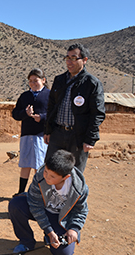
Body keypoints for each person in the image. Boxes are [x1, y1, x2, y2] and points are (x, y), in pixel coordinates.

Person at [8, 150, 88, 255]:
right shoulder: (40, 176)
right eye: (46, 171)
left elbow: (81, 211)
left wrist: (74, 229)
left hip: (61, 218)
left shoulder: (79, 188)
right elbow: (35, 205)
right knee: (16, 204)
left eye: (52, 176)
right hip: (42, 209)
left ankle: (51, 236)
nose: (46, 177)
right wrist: (49, 231)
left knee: (63, 254)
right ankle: (26, 241)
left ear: (65, 177)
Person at [44, 43, 105, 172]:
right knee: (51, 170)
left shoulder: (91, 83)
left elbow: (97, 113)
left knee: (74, 173)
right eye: (67, 58)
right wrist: (48, 130)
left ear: (84, 60)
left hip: (78, 136)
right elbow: (51, 106)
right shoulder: (59, 80)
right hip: (58, 133)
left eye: (73, 58)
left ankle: (74, 193)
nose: (69, 62)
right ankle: (51, 193)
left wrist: (90, 139)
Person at [12, 68, 50, 196]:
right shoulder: (24, 96)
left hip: (42, 135)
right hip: (27, 135)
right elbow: (15, 114)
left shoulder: (49, 95)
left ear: (43, 80)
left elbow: (54, 114)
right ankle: (21, 192)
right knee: (25, 163)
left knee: (39, 165)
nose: (33, 83)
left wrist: (42, 117)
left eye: (36, 80)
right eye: (31, 81)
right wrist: (25, 113)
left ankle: (39, 193)